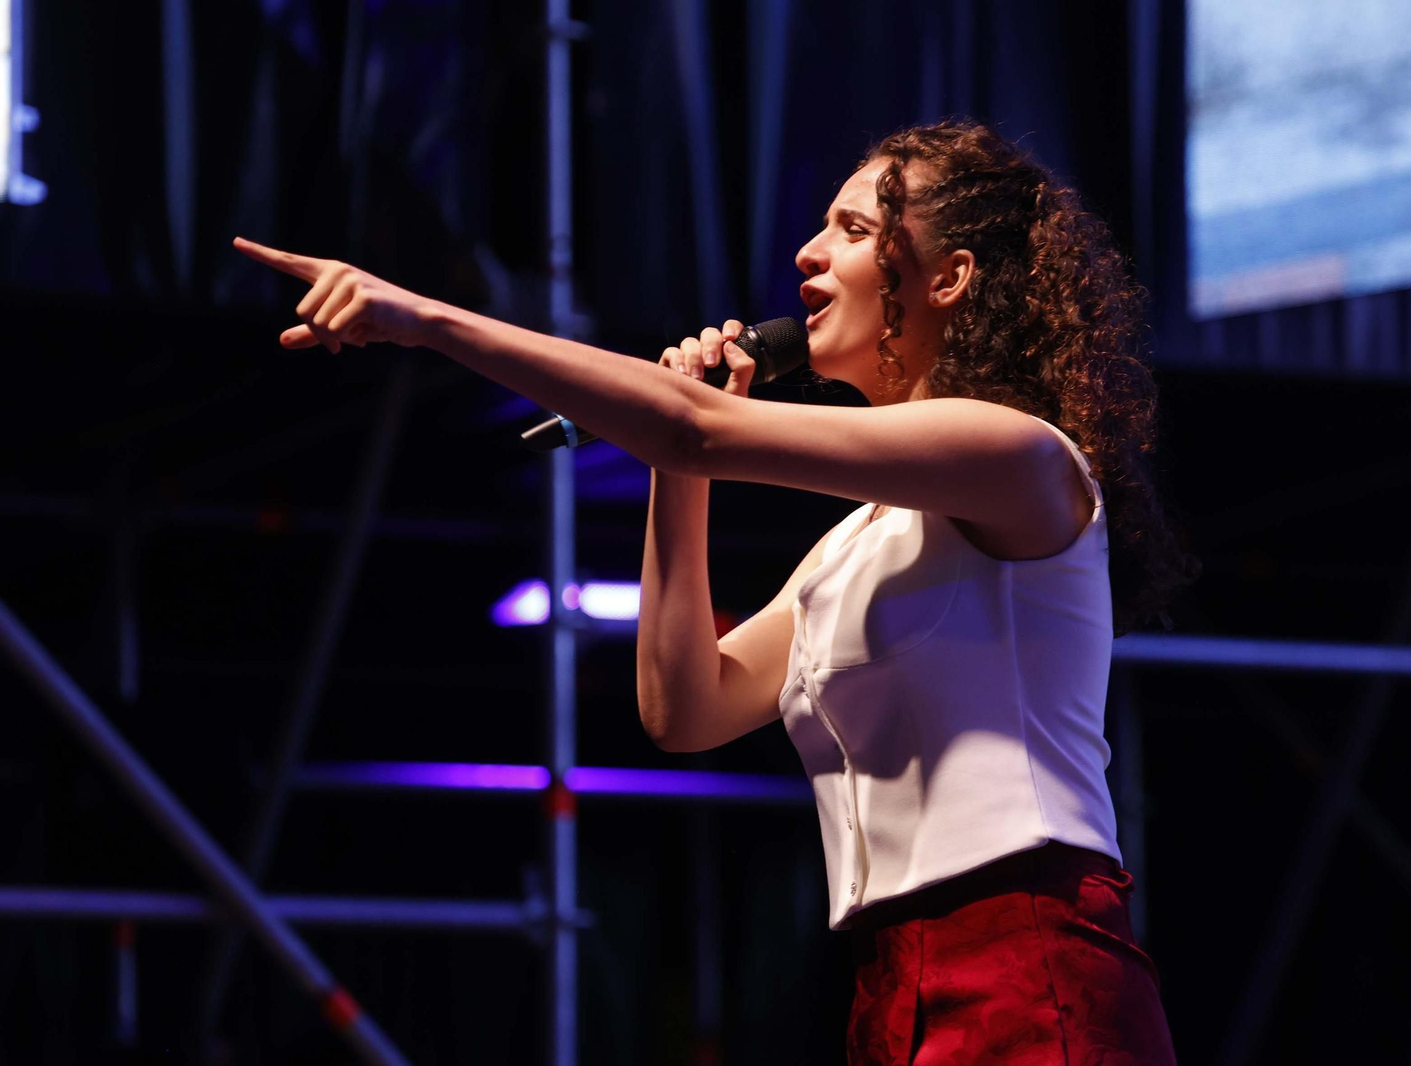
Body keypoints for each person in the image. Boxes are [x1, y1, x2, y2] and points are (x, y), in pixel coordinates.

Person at [235, 117, 1195, 1064]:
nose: (808, 254)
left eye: (854, 231)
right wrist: (676, 471)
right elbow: (685, 708)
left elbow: (689, 427)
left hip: (1028, 967)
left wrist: (426, 319)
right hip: (889, 983)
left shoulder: (1022, 456)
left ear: (947, 278)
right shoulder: (851, 549)